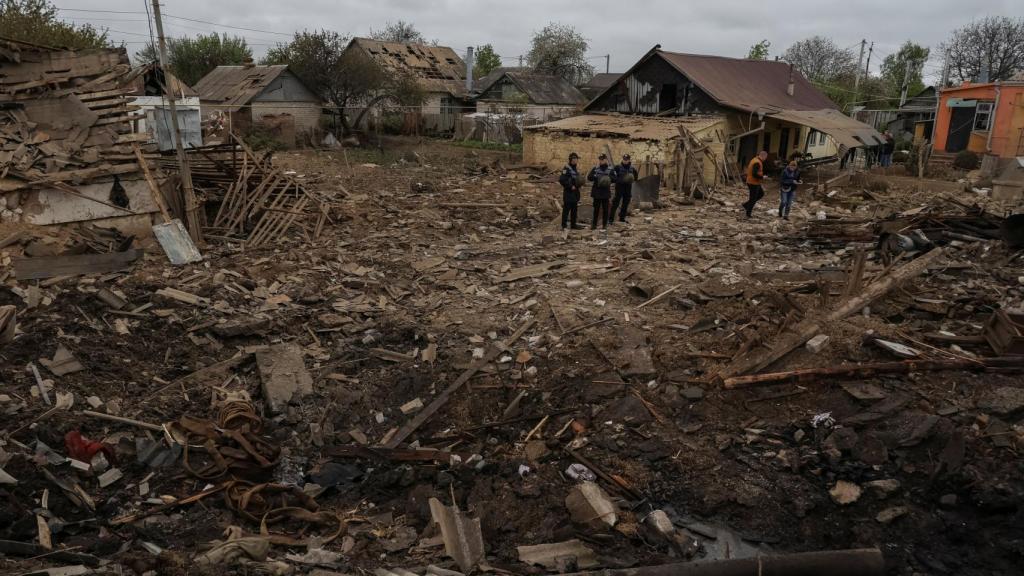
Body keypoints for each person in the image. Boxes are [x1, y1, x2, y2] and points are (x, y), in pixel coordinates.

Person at [587, 153, 614, 230]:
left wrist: (608, 178)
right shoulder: (595, 169)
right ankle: (594, 225)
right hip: (597, 192)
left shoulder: (610, 169)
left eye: (603, 159)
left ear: (606, 160)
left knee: (605, 209)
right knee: (596, 209)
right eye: (600, 159)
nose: (601, 161)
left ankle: (604, 225)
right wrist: (595, 176)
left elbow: (615, 178)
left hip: (605, 192)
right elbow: (589, 177)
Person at [610, 154, 639, 225]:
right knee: (616, 202)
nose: (625, 161)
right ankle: (611, 219)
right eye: (624, 159)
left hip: (628, 187)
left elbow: (636, 177)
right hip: (619, 187)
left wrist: (631, 179)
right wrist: (618, 180)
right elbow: (611, 175)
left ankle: (622, 218)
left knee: (625, 203)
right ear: (622, 159)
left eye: (627, 159)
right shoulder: (617, 167)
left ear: (629, 160)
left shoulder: (632, 168)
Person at [558, 152, 584, 230]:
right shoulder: (566, 169)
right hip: (568, 192)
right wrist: (570, 186)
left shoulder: (575, 169)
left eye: (577, 159)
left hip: (575, 192)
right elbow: (562, 180)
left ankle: (573, 225)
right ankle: (564, 225)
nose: (576, 160)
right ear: (571, 159)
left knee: (574, 209)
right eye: (575, 159)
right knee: (566, 209)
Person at [742, 151, 768, 218]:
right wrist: (762, 177)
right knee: (753, 198)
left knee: (761, 194)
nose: (765, 159)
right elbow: (754, 173)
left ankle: (746, 205)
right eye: (766, 157)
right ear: (763, 156)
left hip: (755, 182)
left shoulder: (755, 159)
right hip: (753, 182)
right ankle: (748, 213)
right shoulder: (757, 162)